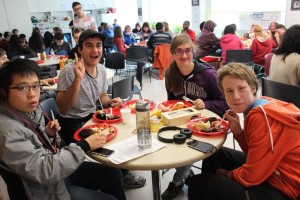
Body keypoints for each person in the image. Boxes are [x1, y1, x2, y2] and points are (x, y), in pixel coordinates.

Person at [0, 59, 126, 200]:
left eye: (35, 86)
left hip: (56, 174)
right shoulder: (6, 131)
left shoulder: (28, 112)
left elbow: (35, 148)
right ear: (4, 93)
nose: (32, 94)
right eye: (22, 88)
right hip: (46, 190)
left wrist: (48, 134)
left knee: (113, 174)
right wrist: (84, 145)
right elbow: (44, 171)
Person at [188, 62, 300, 200]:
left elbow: (252, 175)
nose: (236, 96)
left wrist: (227, 174)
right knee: (214, 152)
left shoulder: (261, 117)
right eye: (229, 91)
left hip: (287, 188)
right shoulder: (262, 102)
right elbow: (255, 154)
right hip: (274, 171)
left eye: (241, 88)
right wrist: (239, 132)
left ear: (253, 87)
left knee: (198, 183)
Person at [56, 29, 146, 189]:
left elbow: (103, 96)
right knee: (111, 139)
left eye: (98, 45)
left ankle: (121, 170)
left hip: (92, 117)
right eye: (89, 46)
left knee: (124, 128)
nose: (95, 50)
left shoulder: (102, 70)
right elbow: (63, 108)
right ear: (80, 50)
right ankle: (117, 174)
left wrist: (111, 103)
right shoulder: (68, 71)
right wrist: (78, 79)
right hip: (73, 123)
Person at [162, 34, 228, 200]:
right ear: (172, 53)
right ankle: (186, 172)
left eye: (188, 51)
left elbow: (225, 102)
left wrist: (207, 104)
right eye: (179, 51)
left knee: (188, 143)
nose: (184, 55)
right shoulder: (170, 73)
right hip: (181, 119)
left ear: (193, 51)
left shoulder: (208, 74)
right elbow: (171, 100)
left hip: (205, 123)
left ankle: (177, 181)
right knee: (167, 138)